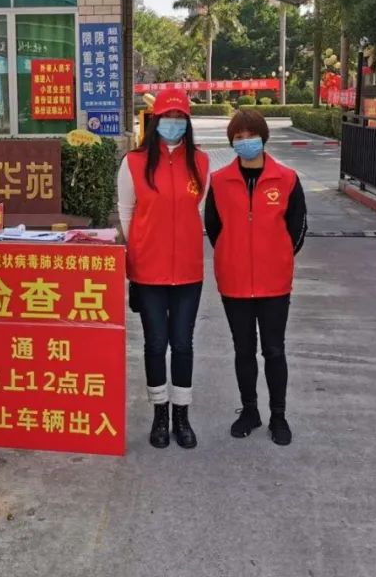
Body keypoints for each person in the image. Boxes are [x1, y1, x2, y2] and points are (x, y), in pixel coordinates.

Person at [205, 109, 306, 446]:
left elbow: (297, 228)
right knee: (243, 350)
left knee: (274, 350)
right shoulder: (220, 181)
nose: (246, 141)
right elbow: (213, 228)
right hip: (234, 282)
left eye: (252, 136)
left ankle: (278, 415)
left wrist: (276, 256)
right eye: (239, 137)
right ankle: (250, 410)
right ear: (231, 142)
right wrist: (233, 254)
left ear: (264, 138)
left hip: (274, 283)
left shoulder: (286, 179)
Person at [118, 89, 209, 449]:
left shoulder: (201, 162)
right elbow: (127, 212)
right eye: (167, 116)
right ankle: (160, 415)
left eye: (180, 117)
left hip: (188, 270)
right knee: (156, 344)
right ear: (155, 120)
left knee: (183, 344)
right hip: (148, 271)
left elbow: (197, 209)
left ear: (187, 121)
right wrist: (140, 249)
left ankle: (182, 416)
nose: (173, 122)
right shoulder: (134, 162)